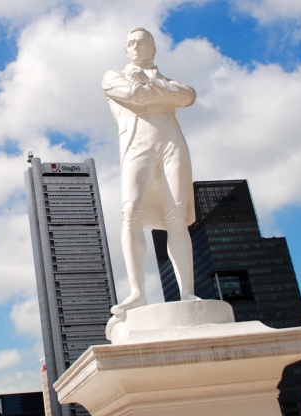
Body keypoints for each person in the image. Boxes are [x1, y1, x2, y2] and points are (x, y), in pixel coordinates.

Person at [102, 27, 199, 315]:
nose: (135, 47)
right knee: (131, 212)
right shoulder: (112, 76)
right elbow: (132, 95)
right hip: (136, 145)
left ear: (153, 48)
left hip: (171, 144)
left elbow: (188, 96)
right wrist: (159, 91)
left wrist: (151, 84)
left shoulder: (165, 79)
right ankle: (137, 293)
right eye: (130, 43)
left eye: (141, 42)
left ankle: (188, 293)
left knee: (176, 215)